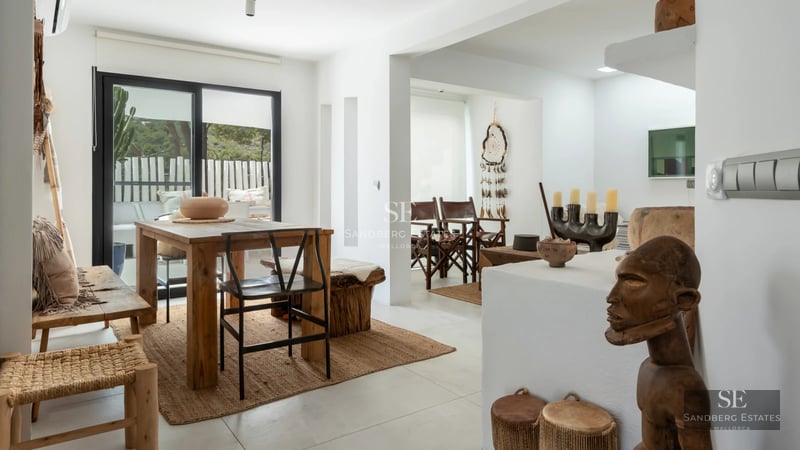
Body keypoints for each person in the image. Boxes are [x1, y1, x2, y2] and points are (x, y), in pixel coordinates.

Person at [606, 235, 712, 449]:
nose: (612, 296)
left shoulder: (686, 388)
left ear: (684, 300)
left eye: (633, 282)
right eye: (618, 280)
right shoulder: (648, 367)